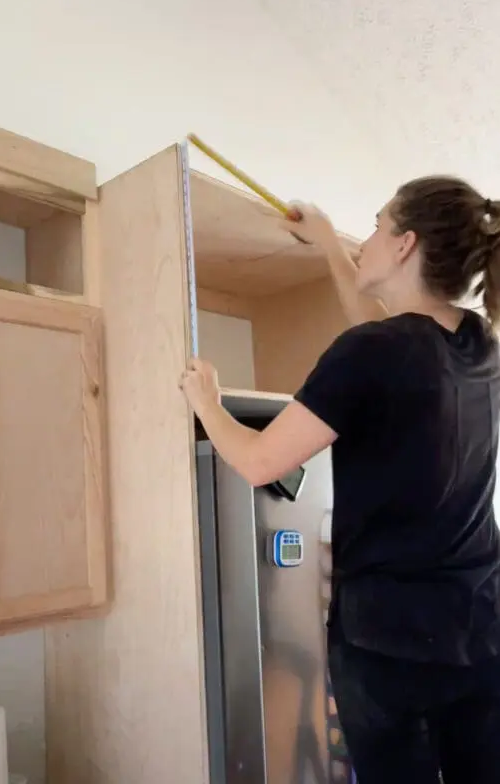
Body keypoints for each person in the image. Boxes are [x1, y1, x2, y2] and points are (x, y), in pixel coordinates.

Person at [179, 176, 500, 784]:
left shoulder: (373, 352)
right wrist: (328, 241)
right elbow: (392, 338)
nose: (368, 238)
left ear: (404, 244)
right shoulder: (481, 343)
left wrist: (207, 402)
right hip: (481, 629)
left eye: (377, 225)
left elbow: (257, 462)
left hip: (389, 646)